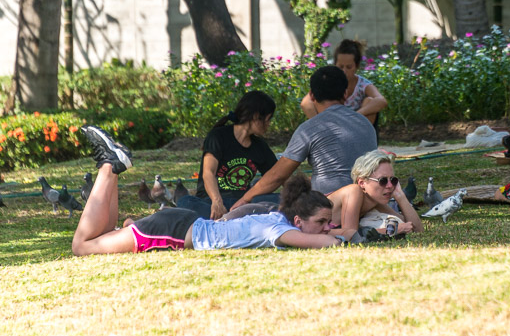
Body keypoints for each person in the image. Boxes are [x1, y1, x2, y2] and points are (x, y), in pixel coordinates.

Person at [71, 126, 347, 255]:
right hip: (174, 231)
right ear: (298, 221)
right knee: (82, 247)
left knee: (104, 234)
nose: (327, 227)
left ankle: (111, 166)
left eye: (328, 222)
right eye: (322, 222)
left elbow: (322, 235)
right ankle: (108, 167)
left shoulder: (277, 218)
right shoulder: (280, 231)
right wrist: (344, 236)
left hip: (178, 224)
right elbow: (328, 243)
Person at [230, 66, 378, 212]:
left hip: (328, 207)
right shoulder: (366, 123)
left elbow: (278, 176)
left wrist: (245, 198)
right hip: (368, 201)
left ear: (312, 96)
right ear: (345, 94)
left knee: (259, 199)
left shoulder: (310, 129)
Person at [177, 91, 280, 219]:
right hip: (212, 203)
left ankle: (227, 220)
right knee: (185, 202)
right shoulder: (218, 136)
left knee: (280, 200)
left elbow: (278, 175)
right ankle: (233, 219)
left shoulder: (260, 146)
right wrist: (217, 202)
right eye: (268, 119)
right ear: (256, 116)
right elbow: (208, 172)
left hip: (242, 204)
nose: (269, 124)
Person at [326, 150, 422, 238]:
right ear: (362, 183)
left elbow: (416, 229)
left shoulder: (375, 201)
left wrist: (400, 196)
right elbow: (351, 235)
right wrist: (394, 230)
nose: (389, 185)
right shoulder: (353, 191)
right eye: (382, 180)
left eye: (393, 180)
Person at [301, 39, 387, 125]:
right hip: (331, 125)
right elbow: (305, 103)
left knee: (369, 101)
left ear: (357, 66)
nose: (344, 71)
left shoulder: (362, 85)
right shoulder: (329, 81)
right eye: (341, 67)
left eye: (349, 67)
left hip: (355, 127)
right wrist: (320, 123)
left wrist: (356, 115)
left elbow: (381, 100)